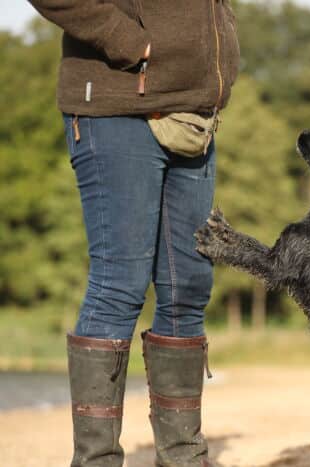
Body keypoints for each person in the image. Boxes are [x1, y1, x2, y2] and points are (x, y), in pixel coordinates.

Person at [26, 0, 240, 465]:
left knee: (189, 287)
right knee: (119, 285)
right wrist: (132, 42)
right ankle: (97, 460)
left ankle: (183, 455)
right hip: (118, 108)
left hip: (193, 115)